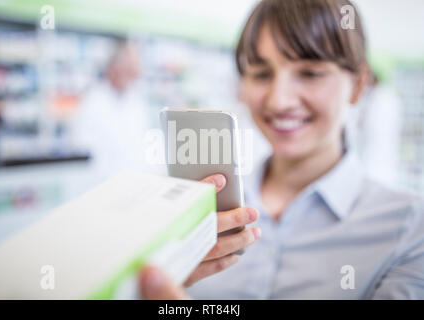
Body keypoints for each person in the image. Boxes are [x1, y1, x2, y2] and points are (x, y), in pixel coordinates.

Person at [140, 0, 424, 299]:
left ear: (358, 85)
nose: (279, 101)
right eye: (261, 74)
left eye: (310, 73)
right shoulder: (199, 207)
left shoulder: (409, 229)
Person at [71, 39, 153, 181]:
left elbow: (141, 144)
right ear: (113, 68)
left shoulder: (135, 100)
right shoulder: (94, 101)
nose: (132, 76)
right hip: (102, 183)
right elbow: (83, 148)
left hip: (135, 181)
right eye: (127, 69)